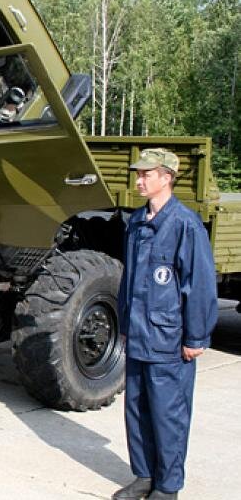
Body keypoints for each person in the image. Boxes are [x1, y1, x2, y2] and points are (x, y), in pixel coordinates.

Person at [113, 148, 218, 500]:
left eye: (147, 174)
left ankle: (168, 486)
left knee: (168, 414)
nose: (139, 180)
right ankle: (143, 475)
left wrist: (196, 336)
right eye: (139, 174)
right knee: (137, 409)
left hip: (169, 340)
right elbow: (129, 279)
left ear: (166, 177)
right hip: (139, 335)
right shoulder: (136, 223)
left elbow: (199, 284)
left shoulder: (185, 224)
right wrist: (125, 323)